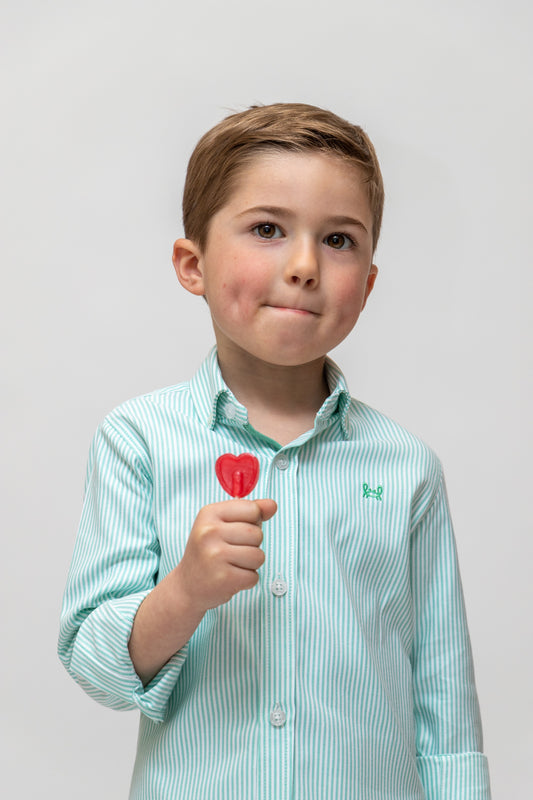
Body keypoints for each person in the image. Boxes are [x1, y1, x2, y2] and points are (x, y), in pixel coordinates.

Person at [58, 103, 491, 799]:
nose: (303, 265)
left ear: (369, 284)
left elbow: (443, 704)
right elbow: (96, 667)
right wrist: (185, 593)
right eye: (266, 229)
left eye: (339, 240)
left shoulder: (406, 468)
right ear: (191, 264)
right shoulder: (137, 440)